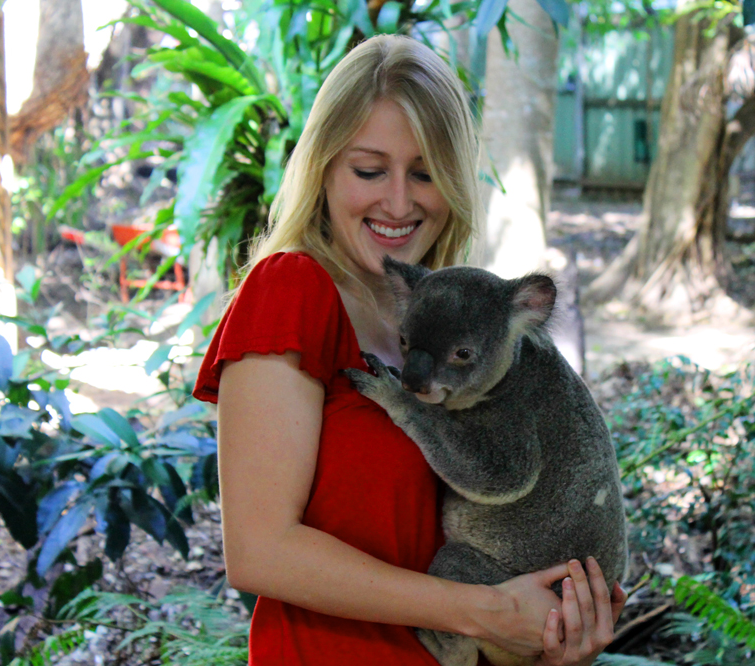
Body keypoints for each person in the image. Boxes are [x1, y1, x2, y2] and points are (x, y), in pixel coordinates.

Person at [192, 34, 627, 666]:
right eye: (369, 171)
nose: (398, 201)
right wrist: (485, 610)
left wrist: (552, 638)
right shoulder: (293, 289)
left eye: (424, 173)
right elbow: (259, 550)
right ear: (322, 168)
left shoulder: (454, 311)